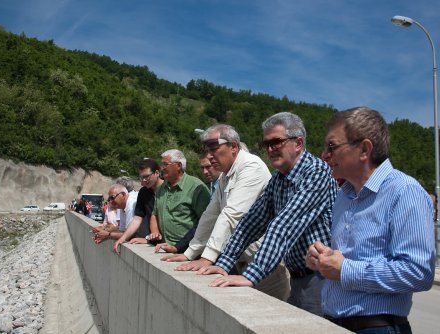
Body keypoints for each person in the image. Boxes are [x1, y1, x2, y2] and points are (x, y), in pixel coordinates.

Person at [306, 107, 436, 333]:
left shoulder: (404, 192)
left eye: (332, 146)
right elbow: (348, 259)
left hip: (377, 327)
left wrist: (346, 270)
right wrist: (323, 262)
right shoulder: (344, 196)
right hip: (334, 323)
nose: (325, 155)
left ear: (364, 149)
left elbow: (418, 272)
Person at [199, 112, 338, 316]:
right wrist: (223, 263)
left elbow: (285, 225)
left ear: (298, 143)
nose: (270, 149)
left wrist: (252, 275)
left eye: (277, 142)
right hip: (299, 277)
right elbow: (251, 222)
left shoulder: (317, 173)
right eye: (266, 144)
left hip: (320, 281)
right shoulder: (278, 179)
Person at [157, 124, 290, 300]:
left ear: (233, 146)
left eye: (214, 148)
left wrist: (207, 258)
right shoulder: (225, 176)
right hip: (243, 263)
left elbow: (231, 214)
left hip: (266, 266)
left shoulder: (251, 167)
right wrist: (189, 253)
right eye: (206, 150)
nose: (209, 156)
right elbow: (210, 215)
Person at [147, 149, 210, 246]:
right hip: (164, 247)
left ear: (178, 166)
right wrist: (155, 232)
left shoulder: (196, 187)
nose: (161, 168)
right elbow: (154, 214)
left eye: (165, 164)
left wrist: (181, 246)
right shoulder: (161, 188)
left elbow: (206, 222)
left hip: (188, 250)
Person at [113, 159, 164, 254]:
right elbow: (137, 219)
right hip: (154, 240)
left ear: (157, 173)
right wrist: (123, 238)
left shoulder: (169, 189)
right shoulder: (143, 192)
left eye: (147, 176)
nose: (144, 181)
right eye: (141, 177)